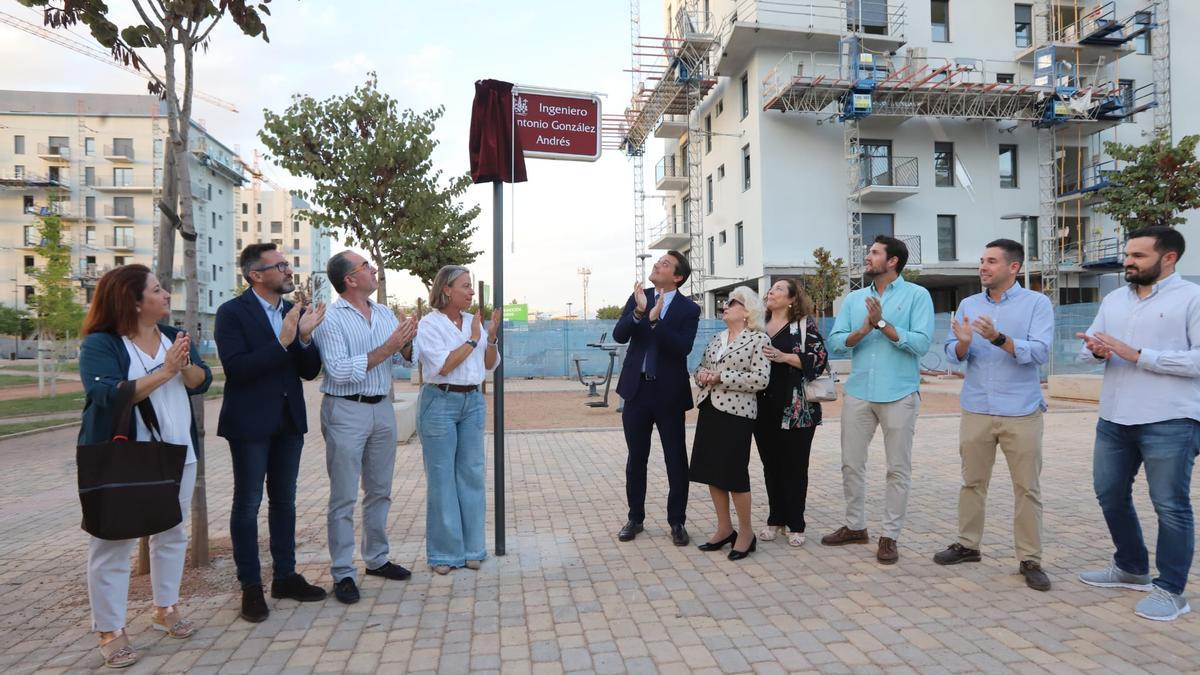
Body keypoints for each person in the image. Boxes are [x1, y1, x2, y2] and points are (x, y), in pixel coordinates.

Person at [78, 264, 212, 668]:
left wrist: (184, 365)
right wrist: (166, 370)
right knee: (112, 541)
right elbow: (106, 394)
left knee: (172, 532)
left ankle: (165, 607)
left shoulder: (173, 336)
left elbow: (200, 381)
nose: (166, 295)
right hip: (125, 457)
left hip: (177, 453)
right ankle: (110, 629)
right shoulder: (102, 343)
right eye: (157, 290)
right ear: (134, 302)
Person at [1076, 226, 1200, 621]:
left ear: (1168, 259)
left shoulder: (1192, 298)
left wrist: (1140, 355)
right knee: (1109, 493)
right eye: (1127, 255)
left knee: (1170, 505)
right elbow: (1087, 349)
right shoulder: (1113, 298)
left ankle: (1171, 591)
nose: (1128, 262)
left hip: (1171, 419)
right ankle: (1131, 567)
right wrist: (1096, 351)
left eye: (1138, 256)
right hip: (1114, 416)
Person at [216, 244, 327, 623]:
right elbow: (237, 369)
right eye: (279, 265)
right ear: (255, 275)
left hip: (288, 420)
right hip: (249, 424)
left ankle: (285, 576)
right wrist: (282, 341)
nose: (288, 269)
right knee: (247, 505)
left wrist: (306, 339)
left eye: (287, 263)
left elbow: (308, 372)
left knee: (285, 502)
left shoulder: (292, 312)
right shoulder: (232, 313)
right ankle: (250, 586)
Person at [934, 239, 1053, 591]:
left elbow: (1040, 352)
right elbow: (952, 355)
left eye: (991, 262)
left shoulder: (1037, 303)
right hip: (977, 408)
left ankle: (1030, 558)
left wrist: (999, 338)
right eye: (981, 261)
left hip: (1021, 410)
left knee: (1027, 488)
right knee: (972, 482)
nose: (983, 267)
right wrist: (965, 343)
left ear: (1013, 267)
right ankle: (968, 545)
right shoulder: (969, 303)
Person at [313, 251, 417, 603]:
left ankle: (376, 559)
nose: (374, 270)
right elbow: (339, 371)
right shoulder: (331, 318)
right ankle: (343, 571)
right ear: (350, 280)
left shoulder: (384, 312)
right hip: (346, 410)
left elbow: (404, 359)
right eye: (366, 267)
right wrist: (389, 346)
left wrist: (406, 342)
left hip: (382, 408)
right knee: (343, 496)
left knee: (380, 491)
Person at [823, 235, 934, 564]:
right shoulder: (855, 298)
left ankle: (890, 536)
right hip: (858, 391)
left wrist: (883, 323)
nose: (867, 257)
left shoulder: (917, 296)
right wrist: (865, 328)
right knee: (851, 464)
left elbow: (921, 343)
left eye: (874, 253)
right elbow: (838, 342)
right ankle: (856, 526)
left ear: (893, 261)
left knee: (897, 469)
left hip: (899, 392)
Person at [414, 265, 500, 575]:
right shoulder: (429, 325)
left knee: (472, 474)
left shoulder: (473, 323)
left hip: (472, 402)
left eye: (471, 286)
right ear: (447, 289)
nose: (472, 292)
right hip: (440, 401)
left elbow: (489, 366)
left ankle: (473, 549)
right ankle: (443, 554)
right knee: (441, 478)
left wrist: (489, 340)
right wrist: (473, 340)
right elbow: (445, 366)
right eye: (465, 286)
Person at [612, 251, 701, 546]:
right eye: (657, 262)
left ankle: (677, 521)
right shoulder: (640, 296)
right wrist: (639, 313)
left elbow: (682, 348)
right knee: (636, 458)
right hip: (636, 392)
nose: (656, 265)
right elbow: (620, 335)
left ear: (677, 276)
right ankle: (635, 518)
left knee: (675, 459)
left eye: (664, 264)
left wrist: (655, 322)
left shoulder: (689, 309)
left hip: (669, 395)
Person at [689, 286, 771, 559]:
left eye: (733, 303)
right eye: (725, 302)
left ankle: (746, 533)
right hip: (710, 410)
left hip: (737, 416)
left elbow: (761, 379)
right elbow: (699, 367)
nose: (725, 306)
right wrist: (702, 376)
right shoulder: (716, 338)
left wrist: (722, 377)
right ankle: (725, 529)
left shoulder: (759, 339)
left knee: (734, 475)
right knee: (712, 472)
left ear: (747, 311)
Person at [754, 279, 828, 548]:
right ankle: (776, 519)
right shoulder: (757, 326)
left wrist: (783, 357)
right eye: (771, 290)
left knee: (795, 467)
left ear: (792, 300)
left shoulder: (803, 326)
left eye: (778, 290)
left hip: (797, 409)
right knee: (770, 466)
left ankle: (796, 523)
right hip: (762, 408)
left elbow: (819, 361)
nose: (771, 293)